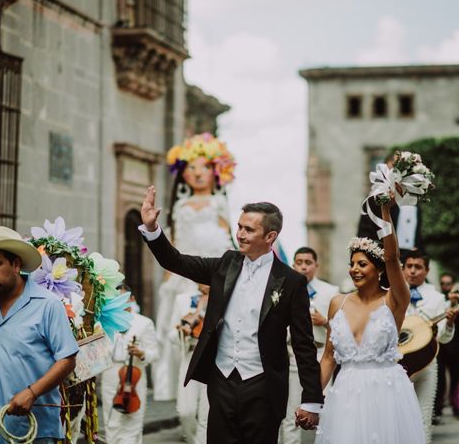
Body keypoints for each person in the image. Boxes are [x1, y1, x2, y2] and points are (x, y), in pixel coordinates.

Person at [140, 186, 323, 443]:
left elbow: (304, 345)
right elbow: (177, 262)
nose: (240, 234)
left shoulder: (291, 281)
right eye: (239, 227)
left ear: (270, 236)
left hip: (263, 385)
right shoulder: (225, 264)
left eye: (249, 230)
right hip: (222, 380)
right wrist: (152, 230)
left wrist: (312, 399)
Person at [311, 198, 424, 443]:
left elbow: (393, 259)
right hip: (346, 394)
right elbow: (329, 357)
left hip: (386, 393)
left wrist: (385, 211)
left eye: (362, 264)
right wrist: (311, 399)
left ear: (379, 269)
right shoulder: (336, 303)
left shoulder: (394, 301)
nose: (354, 269)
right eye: (351, 264)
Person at [0, 226, 79, 443]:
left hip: (33, 429)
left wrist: (32, 393)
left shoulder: (48, 305)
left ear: (16, 265)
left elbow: (67, 359)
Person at [153, 133, 235, 401]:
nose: (198, 173)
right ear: (183, 174)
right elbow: (175, 240)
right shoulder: (180, 205)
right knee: (175, 327)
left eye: (204, 168)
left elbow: (227, 236)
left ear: (216, 172)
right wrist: (168, 277)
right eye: (191, 167)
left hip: (212, 269)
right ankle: (179, 387)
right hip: (184, 271)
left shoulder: (219, 203)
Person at [279, 247, 339, 444]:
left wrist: (325, 322)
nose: (303, 267)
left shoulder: (331, 292)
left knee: (324, 410)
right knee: (291, 413)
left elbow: (344, 329)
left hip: (322, 354)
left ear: (316, 266)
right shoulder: (283, 288)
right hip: (292, 355)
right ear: (293, 264)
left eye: (308, 262)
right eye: (299, 262)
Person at [402, 250, 458, 443]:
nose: (412, 271)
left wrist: (449, 323)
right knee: (397, 415)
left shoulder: (436, 298)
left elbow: (443, 338)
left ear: (427, 270)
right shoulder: (393, 292)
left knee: (424, 414)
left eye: (418, 267)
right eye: (409, 266)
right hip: (397, 364)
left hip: (427, 363)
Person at [100, 285, 159, 444]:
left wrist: (141, 353)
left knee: (133, 420)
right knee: (111, 421)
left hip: (135, 374)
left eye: (123, 299)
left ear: (132, 299)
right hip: (111, 372)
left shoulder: (144, 323)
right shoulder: (105, 321)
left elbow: (154, 353)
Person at [169, 284, 210, 444]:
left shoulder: (222, 297)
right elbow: (171, 333)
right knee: (185, 411)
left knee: (207, 414)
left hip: (211, 359)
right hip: (190, 355)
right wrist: (180, 332)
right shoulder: (182, 300)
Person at [434, 274, 459, 420]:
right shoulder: (437, 301)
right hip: (440, 347)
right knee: (439, 378)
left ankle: (455, 405)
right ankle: (438, 408)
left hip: (455, 347)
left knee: (456, 378)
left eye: (448, 283)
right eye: (443, 283)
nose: (446, 286)